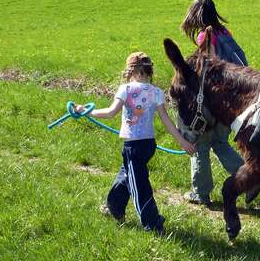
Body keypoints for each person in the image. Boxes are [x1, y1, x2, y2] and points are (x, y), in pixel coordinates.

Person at [75, 52, 195, 233]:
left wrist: (86, 111)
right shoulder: (156, 92)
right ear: (148, 71)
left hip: (133, 146)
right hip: (148, 145)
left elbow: (110, 112)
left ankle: (153, 224)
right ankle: (113, 208)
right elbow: (166, 120)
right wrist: (182, 142)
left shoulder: (126, 89)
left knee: (138, 186)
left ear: (130, 70)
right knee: (126, 175)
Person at [179, 0, 259, 206]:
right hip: (231, 102)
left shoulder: (206, 36)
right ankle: (249, 181)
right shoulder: (225, 32)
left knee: (200, 143)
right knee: (220, 142)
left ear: (196, 14)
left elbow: (208, 69)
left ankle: (200, 193)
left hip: (213, 101)